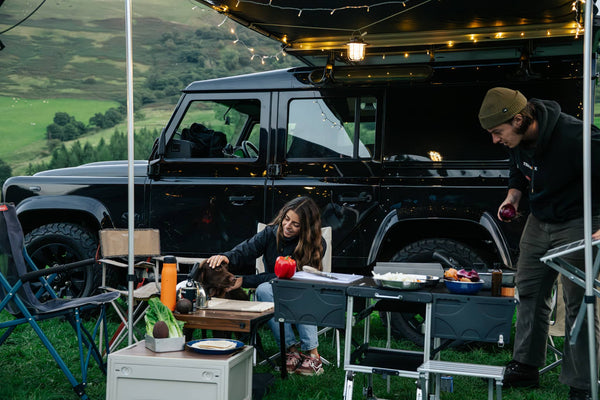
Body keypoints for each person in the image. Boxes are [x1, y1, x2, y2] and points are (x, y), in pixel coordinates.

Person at [478, 87, 600, 400]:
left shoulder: (576, 137)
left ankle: (583, 383)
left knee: (579, 302)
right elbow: (517, 169)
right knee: (529, 288)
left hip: (580, 221)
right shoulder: (518, 139)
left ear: (519, 119)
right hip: (540, 219)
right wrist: (513, 196)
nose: (495, 140)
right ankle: (526, 365)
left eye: (497, 132)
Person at [206, 196, 326, 376]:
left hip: (303, 294)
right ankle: (290, 351)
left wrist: (244, 281)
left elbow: (290, 277)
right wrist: (227, 257)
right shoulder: (271, 233)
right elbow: (247, 249)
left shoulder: (315, 244)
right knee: (263, 288)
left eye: (296, 224)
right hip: (274, 293)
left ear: (306, 228)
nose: (287, 226)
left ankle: (312, 354)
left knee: (303, 287)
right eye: (286, 219)